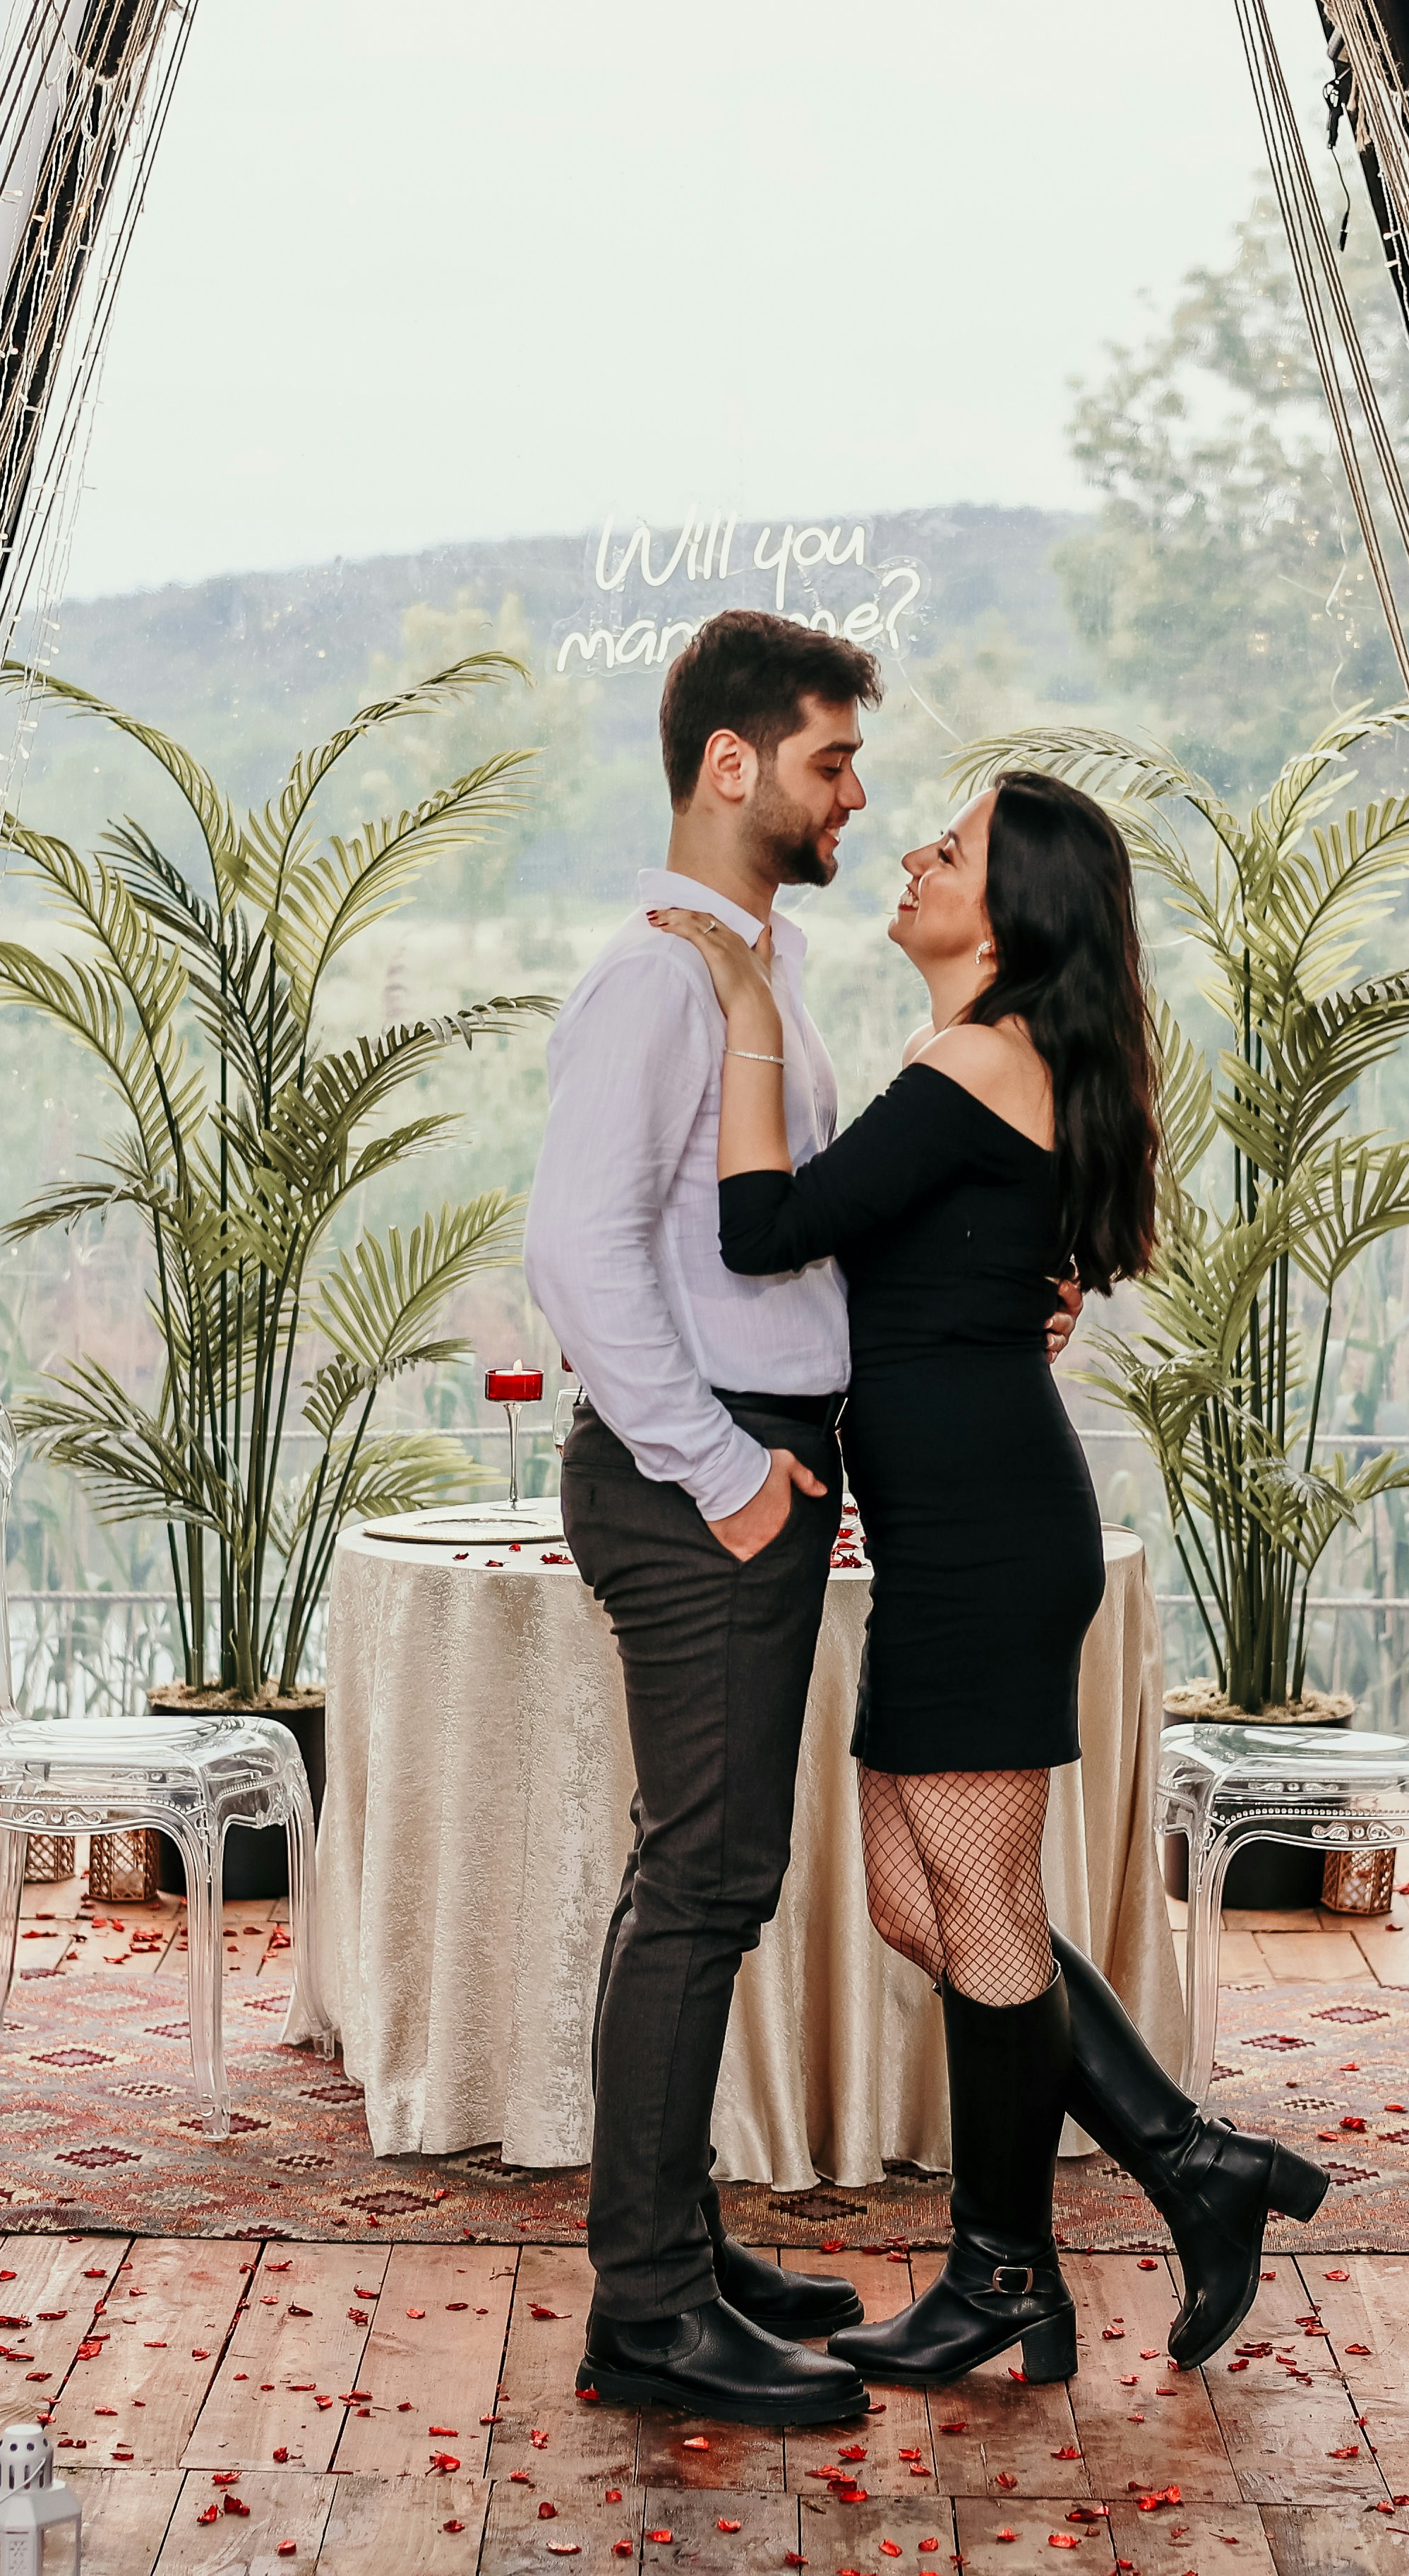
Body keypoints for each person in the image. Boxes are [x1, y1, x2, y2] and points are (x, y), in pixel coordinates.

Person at [647, 769, 1326, 2387]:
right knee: (926, 1906)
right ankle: (1192, 2162)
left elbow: (768, 1230)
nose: (913, 855)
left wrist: (747, 1006)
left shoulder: (972, 1062)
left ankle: (1006, 2273)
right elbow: (959, 1262)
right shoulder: (998, 1063)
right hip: (963, 1535)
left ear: (1007, 918)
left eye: (947, 850)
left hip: (985, 1545)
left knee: (984, 1912)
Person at [525, 609, 886, 2426]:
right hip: (700, 1478)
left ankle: (676, 2247)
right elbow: (576, 1255)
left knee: (699, 1874)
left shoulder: (758, 971)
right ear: (732, 766)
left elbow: (771, 1239)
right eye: (833, 759)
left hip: (746, 1458)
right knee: (707, 1883)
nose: (856, 795)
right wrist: (731, 1475)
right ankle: (650, 2314)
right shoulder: (661, 983)